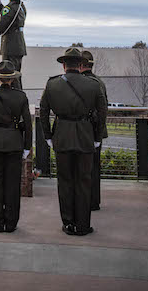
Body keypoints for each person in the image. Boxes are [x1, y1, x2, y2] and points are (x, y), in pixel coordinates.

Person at [39, 47, 107, 236]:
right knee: (84, 181)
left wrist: (47, 135)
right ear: (80, 64)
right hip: (85, 136)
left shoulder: (52, 84)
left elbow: (43, 111)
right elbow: (103, 113)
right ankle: (83, 225)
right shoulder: (93, 85)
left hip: (61, 135)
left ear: (63, 65)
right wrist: (97, 137)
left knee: (65, 181)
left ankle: (68, 223)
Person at [0, 60, 32, 233]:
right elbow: (28, 124)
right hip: (14, 142)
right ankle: (11, 223)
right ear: (12, 79)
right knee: (13, 184)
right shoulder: (21, 96)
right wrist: (27, 146)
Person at [79, 50, 109, 211]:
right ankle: (94, 201)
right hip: (97, 131)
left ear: (80, 65)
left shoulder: (82, 83)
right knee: (94, 168)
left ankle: (84, 201)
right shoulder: (99, 82)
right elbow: (104, 108)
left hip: (84, 130)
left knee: (82, 169)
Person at [0, 0, 28, 89]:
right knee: (16, 75)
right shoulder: (21, 7)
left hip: (10, 46)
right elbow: (11, 17)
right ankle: (18, 97)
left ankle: (15, 99)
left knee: (9, 76)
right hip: (18, 45)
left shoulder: (10, 8)